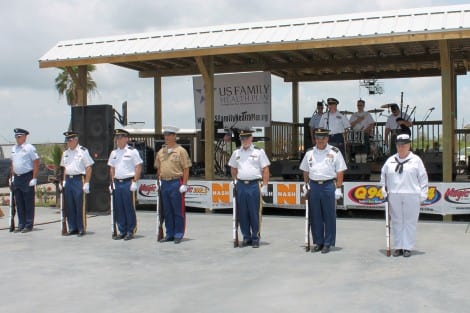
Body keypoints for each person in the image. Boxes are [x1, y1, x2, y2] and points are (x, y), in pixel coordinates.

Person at [299, 128, 347, 254]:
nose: (320, 140)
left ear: (327, 138)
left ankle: (328, 243)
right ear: (315, 139)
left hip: (328, 185)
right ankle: (318, 242)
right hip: (314, 186)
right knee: (315, 215)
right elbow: (305, 170)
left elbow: (340, 171)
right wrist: (305, 185)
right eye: (318, 138)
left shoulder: (335, 152)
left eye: (323, 138)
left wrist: (338, 188)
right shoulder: (310, 152)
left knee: (329, 215)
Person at [380, 133, 428, 257]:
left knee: (410, 221)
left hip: (411, 194)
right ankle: (398, 246)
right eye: (399, 145)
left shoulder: (416, 160)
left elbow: (423, 178)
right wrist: (383, 190)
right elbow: (383, 176)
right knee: (396, 221)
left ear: (409, 145)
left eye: (404, 145)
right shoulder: (390, 160)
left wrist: (423, 193)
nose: (401, 148)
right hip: (394, 194)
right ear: (396, 146)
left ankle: (407, 247)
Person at [228, 129, 270, 248]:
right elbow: (233, 168)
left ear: (251, 138)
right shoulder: (236, 153)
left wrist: (265, 185)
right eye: (242, 138)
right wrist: (235, 180)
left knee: (254, 212)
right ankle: (246, 237)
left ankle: (255, 237)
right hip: (241, 185)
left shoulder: (259, 152)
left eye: (246, 138)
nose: (244, 140)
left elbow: (265, 169)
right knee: (242, 213)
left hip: (254, 185)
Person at [155, 126, 192, 244]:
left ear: (174, 136)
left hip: (176, 182)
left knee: (178, 210)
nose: (166, 137)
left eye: (169, 135)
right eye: (165, 135)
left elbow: (186, 168)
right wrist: (159, 180)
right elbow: (159, 167)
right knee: (167, 210)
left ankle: (178, 233)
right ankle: (169, 233)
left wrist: (184, 184)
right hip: (164, 182)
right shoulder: (161, 151)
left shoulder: (181, 151)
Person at [107, 129, 143, 241]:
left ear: (126, 138)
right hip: (117, 182)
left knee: (128, 207)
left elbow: (138, 166)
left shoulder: (132, 151)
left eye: (120, 137)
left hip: (128, 182)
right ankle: (122, 230)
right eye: (117, 138)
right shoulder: (114, 153)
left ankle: (130, 230)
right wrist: (112, 182)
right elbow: (112, 168)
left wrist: (135, 181)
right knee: (118, 207)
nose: (118, 140)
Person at [60, 131, 94, 236]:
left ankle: (81, 227)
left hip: (78, 179)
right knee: (69, 205)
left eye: (70, 140)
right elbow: (65, 168)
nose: (68, 143)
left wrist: (87, 183)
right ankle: (72, 227)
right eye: (67, 141)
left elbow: (88, 167)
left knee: (79, 204)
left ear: (76, 140)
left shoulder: (83, 151)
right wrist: (64, 180)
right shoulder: (65, 153)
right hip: (69, 180)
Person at [10, 128, 40, 233]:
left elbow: (36, 163)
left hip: (27, 176)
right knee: (19, 202)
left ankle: (28, 224)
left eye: (19, 137)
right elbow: (13, 163)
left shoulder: (29, 148)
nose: (17, 139)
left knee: (28, 202)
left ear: (24, 137)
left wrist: (34, 178)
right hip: (17, 177)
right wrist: (12, 176)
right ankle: (21, 224)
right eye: (16, 137)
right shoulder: (14, 148)